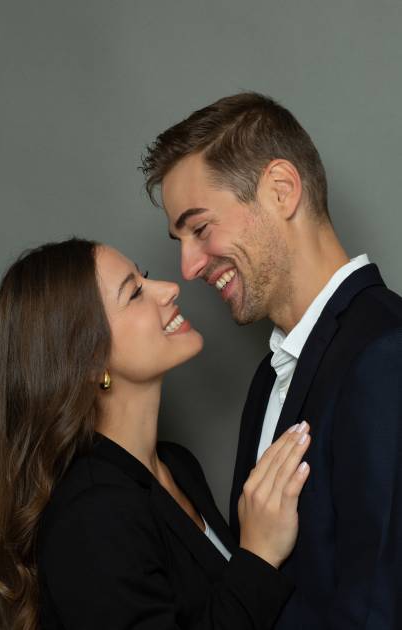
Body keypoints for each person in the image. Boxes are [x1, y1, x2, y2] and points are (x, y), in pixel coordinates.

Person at [141, 92, 402, 629]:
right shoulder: (270, 377)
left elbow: (378, 606)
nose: (187, 267)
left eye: (200, 228)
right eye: (180, 238)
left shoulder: (386, 354)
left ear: (282, 190)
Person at [0, 238, 311, 630]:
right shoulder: (91, 514)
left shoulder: (178, 465)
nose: (170, 289)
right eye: (135, 293)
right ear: (89, 359)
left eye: (145, 277)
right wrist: (259, 555)